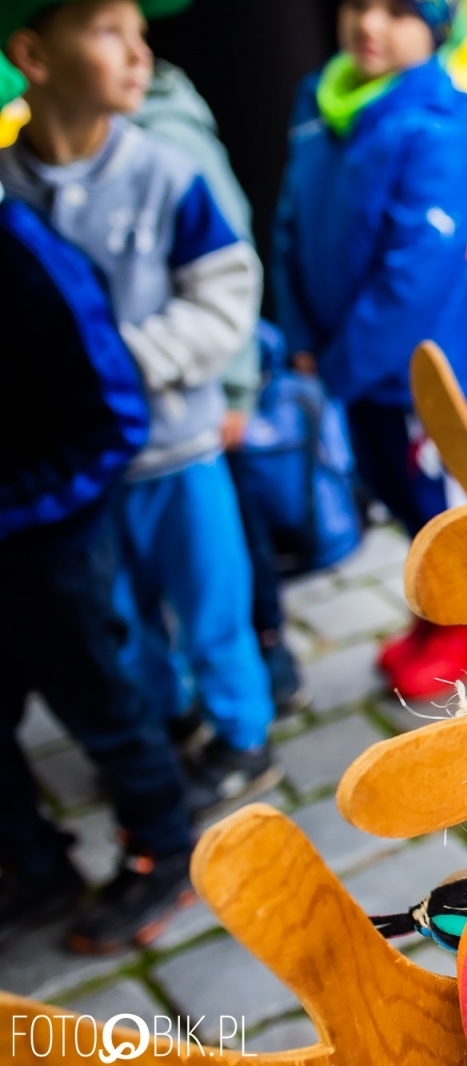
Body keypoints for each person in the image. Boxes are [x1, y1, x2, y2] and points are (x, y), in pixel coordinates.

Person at [0, 0, 280, 819]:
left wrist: (125, 364)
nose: (139, 54)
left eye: (140, 32)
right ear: (34, 56)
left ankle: (242, 736)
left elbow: (227, 288)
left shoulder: (163, 172)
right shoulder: (12, 188)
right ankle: (169, 720)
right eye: (108, 32)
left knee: (209, 599)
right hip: (84, 469)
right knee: (121, 612)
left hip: (178, 444)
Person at [0, 55, 196, 953]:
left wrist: (24, 506)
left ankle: (164, 849)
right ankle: (31, 867)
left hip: (49, 541)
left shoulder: (27, 257)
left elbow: (110, 417)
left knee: (104, 705)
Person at [274, 0, 467, 700]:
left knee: (433, 503)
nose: (370, 24)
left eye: (398, 10)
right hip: (345, 365)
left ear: (435, 26)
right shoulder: (321, 99)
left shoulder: (439, 121)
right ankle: (432, 610)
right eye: (360, 3)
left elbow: (414, 275)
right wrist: (301, 335)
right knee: (391, 493)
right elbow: (288, 221)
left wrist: (333, 368)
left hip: (416, 374)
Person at [131, 45, 308, 722]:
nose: (134, 52)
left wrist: (236, 388)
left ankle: (272, 658)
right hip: (139, 424)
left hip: (199, 402)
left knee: (232, 545)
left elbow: (229, 262)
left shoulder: (168, 137)